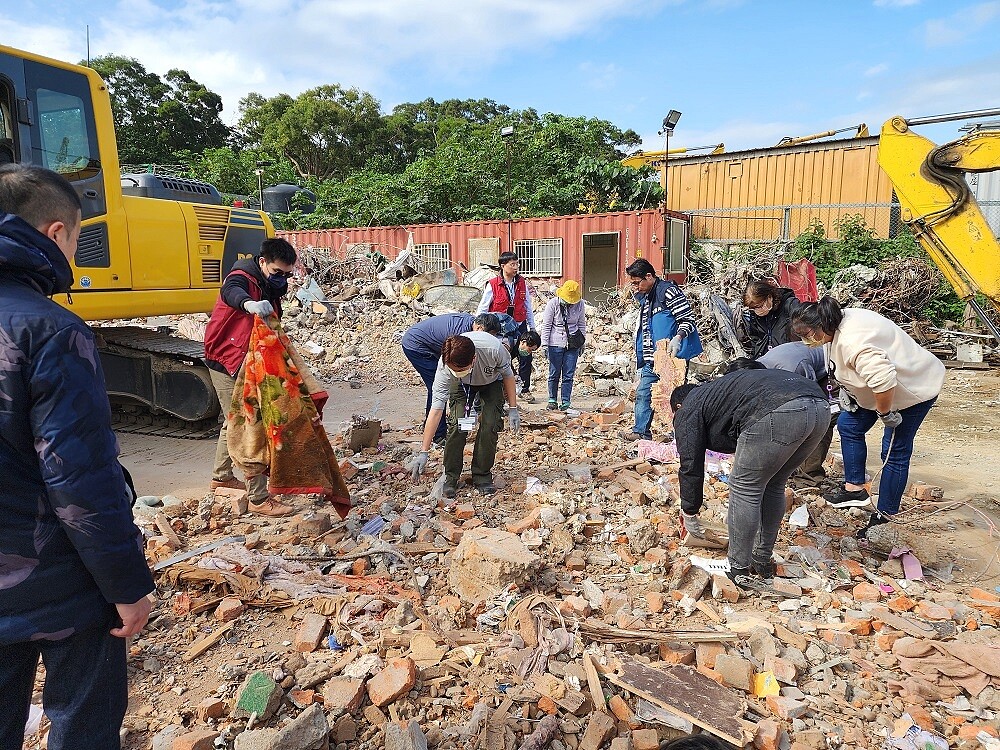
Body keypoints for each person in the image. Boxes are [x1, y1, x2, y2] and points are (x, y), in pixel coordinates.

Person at [0, 164, 155, 749]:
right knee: (81, 725)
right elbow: (79, 478)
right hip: (55, 580)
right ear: (57, 232)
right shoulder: (50, 329)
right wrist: (125, 584)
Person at [791, 297, 945, 537]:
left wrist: (885, 412)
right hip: (875, 391)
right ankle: (855, 489)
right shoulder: (834, 322)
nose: (805, 340)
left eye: (807, 334)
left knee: (894, 451)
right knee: (849, 425)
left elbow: (884, 381)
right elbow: (845, 365)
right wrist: (849, 391)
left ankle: (885, 517)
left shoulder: (855, 342)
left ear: (823, 325)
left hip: (911, 391)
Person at [670, 369, 830, 593]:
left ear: (678, 407)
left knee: (746, 486)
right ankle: (761, 559)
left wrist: (689, 511)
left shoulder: (688, 408)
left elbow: (690, 463)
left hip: (778, 409)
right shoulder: (721, 394)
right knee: (774, 483)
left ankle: (737, 568)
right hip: (820, 407)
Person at [203, 237, 299, 517]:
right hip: (227, 359)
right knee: (250, 424)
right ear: (262, 262)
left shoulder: (269, 286)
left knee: (233, 420)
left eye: (287, 274)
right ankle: (258, 498)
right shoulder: (242, 277)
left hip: (248, 359)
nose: (282, 279)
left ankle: (220, 477)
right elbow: (232, 291)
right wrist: (248, 304)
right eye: (277, 273)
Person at [409, 332, 520, 497]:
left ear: (473, 358)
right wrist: (424, 452)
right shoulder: (446, 367)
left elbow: (508, 376)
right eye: (453, 369)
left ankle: (482, 475)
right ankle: (450, 476)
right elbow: (436, 410)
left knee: (490, 424)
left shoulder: (494, 349)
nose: (456, 371)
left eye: (460, 369)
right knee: (456, 425)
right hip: (461, 387)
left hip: (491, 381)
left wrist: (513, 408)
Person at [728, 342, 838, 483]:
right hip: (807, 368)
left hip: (831, 370)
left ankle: (810, 476)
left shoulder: (791, 369)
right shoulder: (757, 368)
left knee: (819, 418)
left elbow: (812, 397)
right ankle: (787, 468)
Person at [625, 258, 702, 442]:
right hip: (653, 358)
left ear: (649, 276)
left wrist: (678, 337)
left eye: (637, 282)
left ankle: (678, 434)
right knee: (644, 393)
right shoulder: (646, 297)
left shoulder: (668, 292)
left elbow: (687, 319)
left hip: (673, 357)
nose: (635, 287)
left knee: (673, 396)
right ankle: (641, 431)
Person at [401, 312, 503, 445]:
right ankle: (438, 435)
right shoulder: (461, 337)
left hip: (432, 343)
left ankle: (445, 426)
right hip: (417, 345)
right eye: (487, 335)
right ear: (478, 328)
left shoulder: (472, 330)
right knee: (437, 388)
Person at [477, 251, 537, 401]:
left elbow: (527, 306)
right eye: (513, 264)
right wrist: (480, 330)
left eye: (517, 264)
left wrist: (532, 327)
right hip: (500, 329)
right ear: (503, 266)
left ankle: (524, 388)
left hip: (519, 325)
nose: (516, 267)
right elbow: (483, 308)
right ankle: (504, 391)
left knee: (526, 356)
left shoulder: (522, 282)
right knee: (503, 358)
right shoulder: (492, 284)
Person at [540, 279, 586, 410]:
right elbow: (547, 325)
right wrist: (544, 344)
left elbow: (581, 324)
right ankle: (552, 399)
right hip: (555, 343)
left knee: (568, 374)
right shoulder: (553, 304)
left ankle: (566, 401)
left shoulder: (580, 304)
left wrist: (582, 343)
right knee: (554, 372)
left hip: (573, 344)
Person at [739, 278, 802, 359]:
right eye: (754, 308)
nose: (758, 310)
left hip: (790, 357)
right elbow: (755, 339)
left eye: (760, 306)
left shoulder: (789, 305)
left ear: (769, 297)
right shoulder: (754, 315)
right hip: (767, 359)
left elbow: (803, 330)